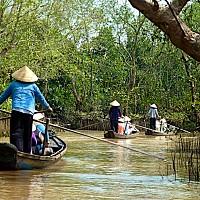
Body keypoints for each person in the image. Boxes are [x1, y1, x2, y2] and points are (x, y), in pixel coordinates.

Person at [0, 66, 53, 153]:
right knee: (27, 134)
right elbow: (41, 98)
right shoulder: (33, 86)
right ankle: (26, 153)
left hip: (16, 111)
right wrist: (48, 107)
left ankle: (16, 152)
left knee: (16, 134)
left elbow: (2, 97)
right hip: (28, 113)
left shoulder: (13, 85)